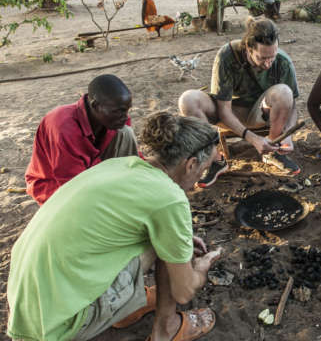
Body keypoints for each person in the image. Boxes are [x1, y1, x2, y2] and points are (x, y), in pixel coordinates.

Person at [7, 112, 223, 341]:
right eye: (205, 168)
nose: (202, 176)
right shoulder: (170, 197)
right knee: (173, 245)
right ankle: (166, 330)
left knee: (169, 237)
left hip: (27, 307)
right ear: (190, 165)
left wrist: (181, 241)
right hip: (59, 324)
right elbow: (184, 291)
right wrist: (200, 268)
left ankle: (127, 308)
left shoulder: (122, 165)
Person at [179, 17, 301, 185]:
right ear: (248, 49)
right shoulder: (227, 55)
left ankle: (272, 151)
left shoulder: (282, 61)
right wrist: (253, 139)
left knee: (284, 92)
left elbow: (292, 106)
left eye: (271, 57)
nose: (268, 63)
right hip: (228, 113)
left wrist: (289, 134)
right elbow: (223, 110)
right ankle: (215, 159)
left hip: (261, 113)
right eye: (262, 58)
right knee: (188, 100)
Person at [25, 74, 138, 205]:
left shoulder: (115, 119)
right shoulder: (63, 128)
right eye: (118, 111)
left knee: (125, 132)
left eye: (127, 110)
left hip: (92, 170)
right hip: (56, 185)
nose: (125, 117)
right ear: (95, 105)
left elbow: (134, 158)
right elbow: (73, 185)